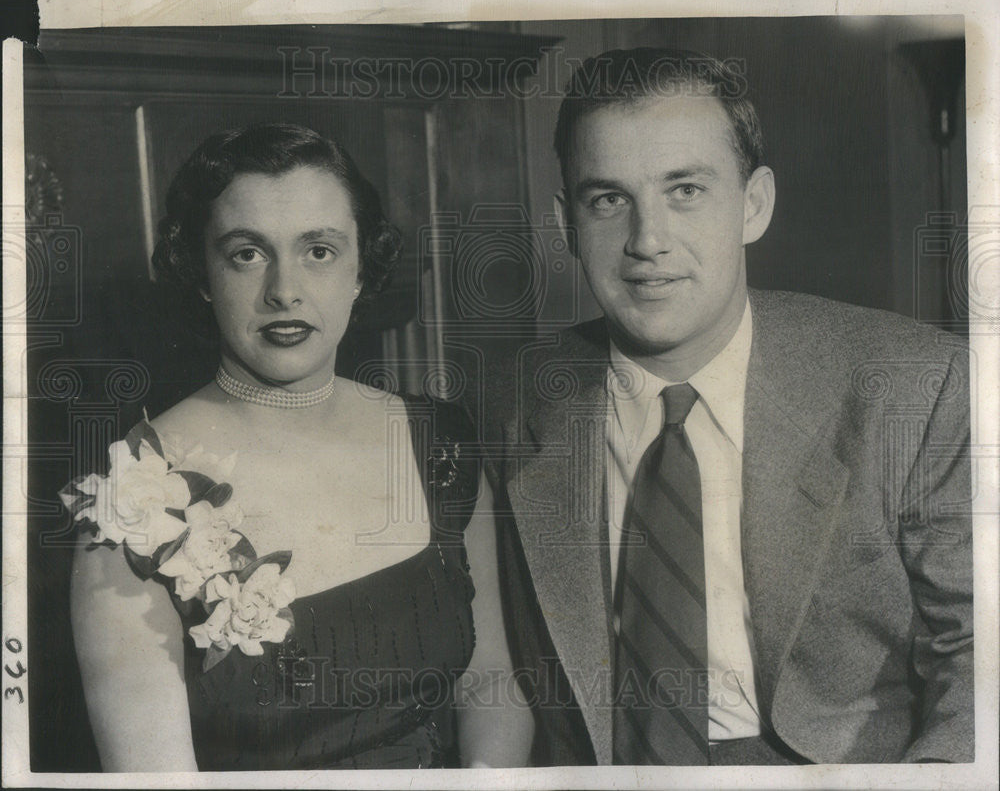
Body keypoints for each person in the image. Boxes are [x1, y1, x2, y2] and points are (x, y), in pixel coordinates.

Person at [487, 48, 972, 766]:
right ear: (567, 225)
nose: (647, 241)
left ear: (754, 203)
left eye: (685, 190)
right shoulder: (512, 399)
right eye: (609, 199)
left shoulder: (911, 384)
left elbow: (979, 656)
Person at [67, 123, 533, 771]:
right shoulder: (133, 503)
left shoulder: (440, 445)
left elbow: (494, 687)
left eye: (318, 250)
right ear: (201, 273)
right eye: (247, 253)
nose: (284, 289)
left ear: (361, 268)